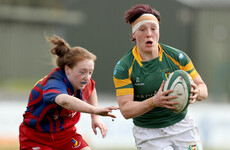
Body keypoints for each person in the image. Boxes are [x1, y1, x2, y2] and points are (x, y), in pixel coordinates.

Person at [113, 4, 208, 150]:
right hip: (149, 134)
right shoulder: (124, 67)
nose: (149, 34)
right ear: (133, 35)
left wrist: (196, 92)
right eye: (142, 29)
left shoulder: (178, 57)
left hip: (182, 126)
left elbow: (203, 88)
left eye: (153, 28)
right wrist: (154, 102)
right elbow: (126, 110)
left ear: (158, 31)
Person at [19, 35, 118, 150]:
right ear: (67, 69)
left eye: (90, 72)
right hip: (36, 137)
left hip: (65, 135)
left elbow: (91, 89)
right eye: (82, 72)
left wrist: (94, 117)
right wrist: (95, 110)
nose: (87, 77)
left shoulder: (82, 81)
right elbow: (65, 101)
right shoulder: (53, 83)